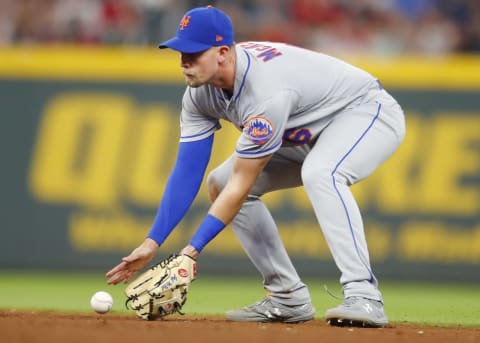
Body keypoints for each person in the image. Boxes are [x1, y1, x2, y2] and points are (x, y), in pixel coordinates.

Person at [106, 5, 406, 328]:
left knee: (322, 172)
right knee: (218, 182)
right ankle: (286, 296)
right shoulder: (198, 96)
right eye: (180, 52)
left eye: (193, 53)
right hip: (307, 131)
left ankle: (365, 296)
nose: (184, 62)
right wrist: (153, 242)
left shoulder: (264, 92)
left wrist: (191, 252)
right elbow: (187, 172)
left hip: (365, 112)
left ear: (222, 53)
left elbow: (242, 184)